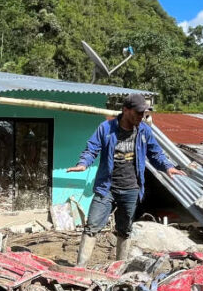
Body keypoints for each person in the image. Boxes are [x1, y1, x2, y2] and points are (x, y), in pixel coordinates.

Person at [67, 93, 185, 265]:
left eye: (143, 113)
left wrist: (167, 167)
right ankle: (80, 268)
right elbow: (92, 148)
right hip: (106, 188)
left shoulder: (144, 130)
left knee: (125, 230)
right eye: (138, 113)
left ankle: (119, 268)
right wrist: (83, 163)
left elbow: (155, 153)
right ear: (125, 110)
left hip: (131, 189)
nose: (141, 116)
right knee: (92, 227)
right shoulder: (106, 128)